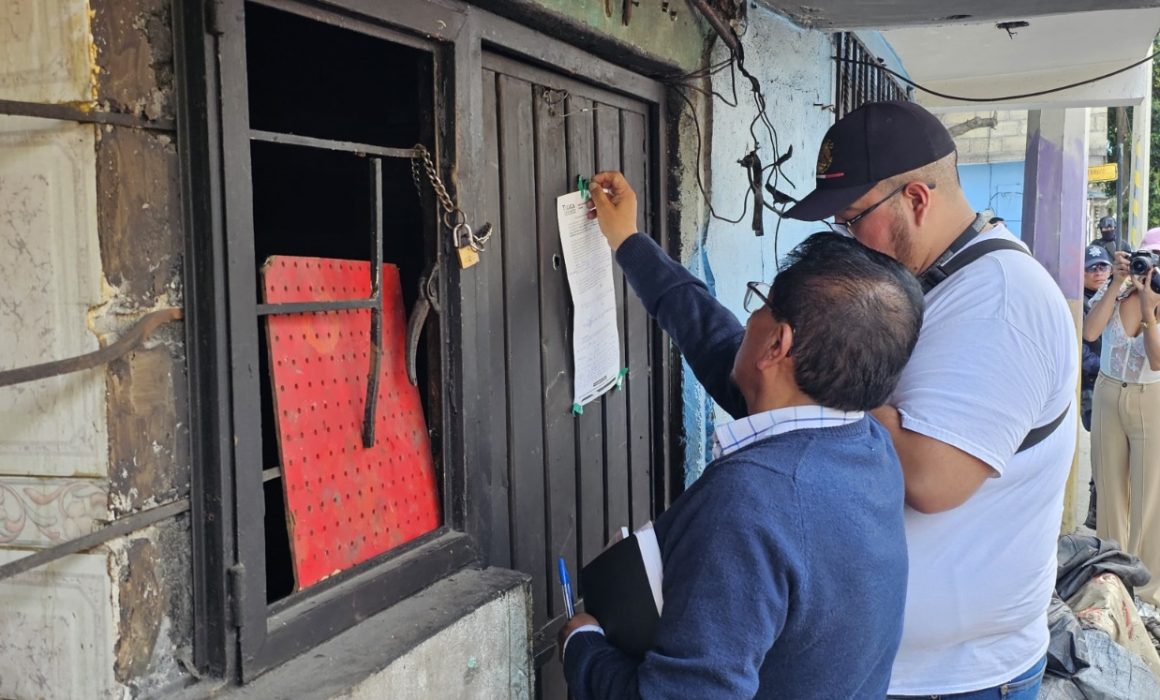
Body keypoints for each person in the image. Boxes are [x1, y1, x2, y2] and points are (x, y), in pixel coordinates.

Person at [558, 171, 925, 699]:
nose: (747, 318)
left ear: (777, 345)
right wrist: (629, 243)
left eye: (760, 302)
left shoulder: (753, 502)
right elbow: (712, 337)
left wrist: (584, 648)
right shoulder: (864, 446)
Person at [784, 100, 1077, 699]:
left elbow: (929, 477)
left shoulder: (999, 301)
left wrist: (805, 382)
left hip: (956, 682)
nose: (847, 238)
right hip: (899, 667)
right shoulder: (938, 281)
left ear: (916, 199)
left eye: (852, 218)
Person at [1082, 227, 1160, 607]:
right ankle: (1111, 578)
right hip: (1110, 393)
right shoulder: (1118, 290)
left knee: (1150, 499)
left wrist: (1149, 309)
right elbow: (1090, 329)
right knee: (1110, 490)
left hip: (1152, 397)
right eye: (1146, 258)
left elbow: (1158, 359)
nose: (1149, 268)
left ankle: (1146, 590)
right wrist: (1116, 282)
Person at [1082, 244, 1112, 528]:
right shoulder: (1078, 301)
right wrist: (1107, 367)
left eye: (1103, 266)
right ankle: (1096, 509)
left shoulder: (1114, 295)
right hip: (1093, 386)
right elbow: (1080, 348)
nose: (1099, 272)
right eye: (1092, 268)